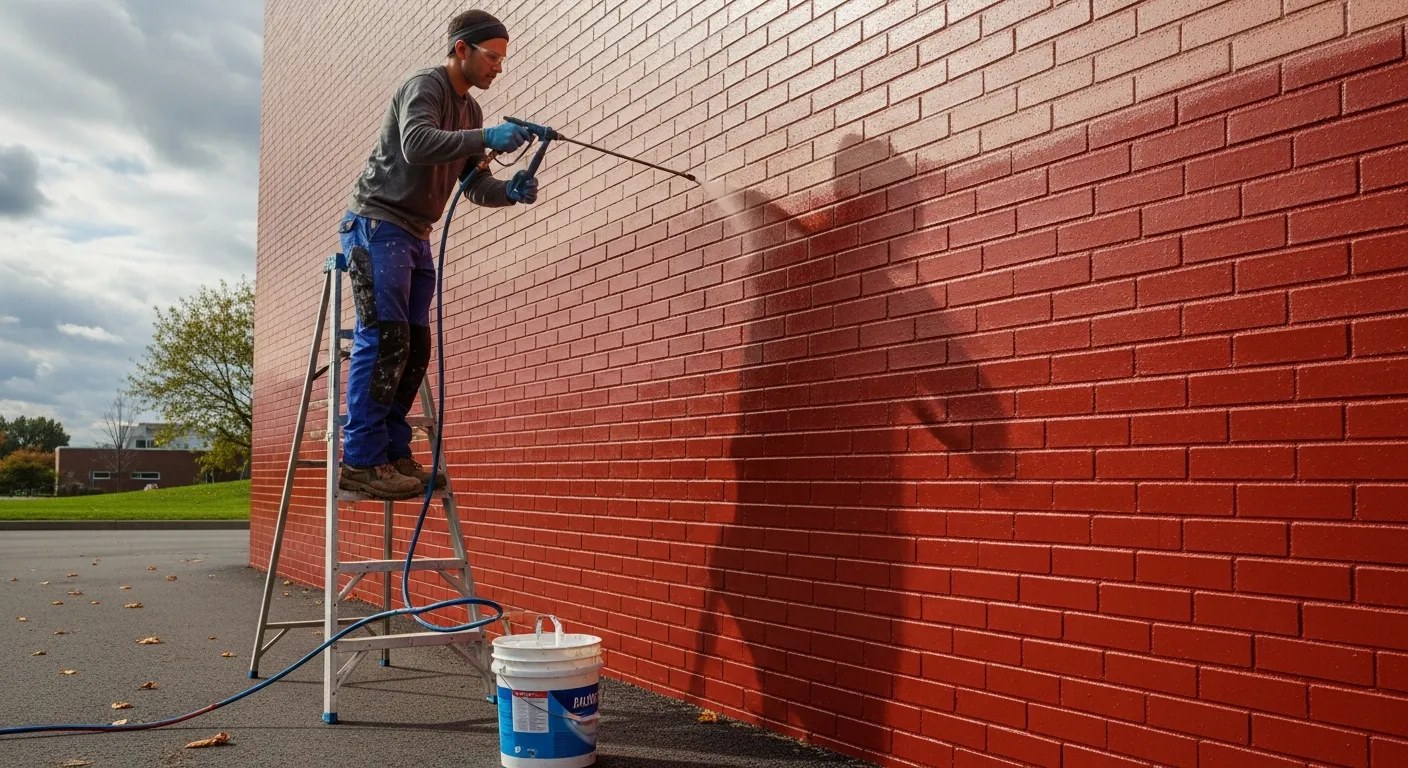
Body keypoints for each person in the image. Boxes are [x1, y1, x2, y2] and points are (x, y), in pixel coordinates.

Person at [336, 9, 535, 499]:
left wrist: (508, 190)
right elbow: (418, 143)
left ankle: (393, 452)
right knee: (385, 339)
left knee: (414, 346)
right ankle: (361, 460)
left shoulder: (472, 112)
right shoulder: (423, 86)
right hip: (377, 223)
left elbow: (472, 183)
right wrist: (486, 139)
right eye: (492, 57)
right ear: (462, 49)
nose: (498, 68)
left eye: (502, 59)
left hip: (416, 233)